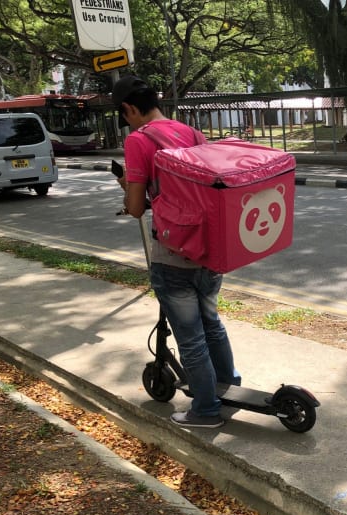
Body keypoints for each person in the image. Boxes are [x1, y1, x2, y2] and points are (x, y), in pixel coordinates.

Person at [113, 75, 240, 429]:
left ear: (129, 108)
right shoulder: (193, 134)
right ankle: (228, 387)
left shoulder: (138, 141)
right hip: (208, 251)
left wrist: (126, 186)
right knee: (212, 324)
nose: (126, 122)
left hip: (173, 254)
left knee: (191, 337)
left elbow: (136, 208)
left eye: (123, 115)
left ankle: (206, 410)